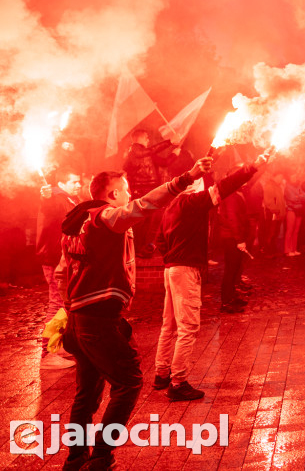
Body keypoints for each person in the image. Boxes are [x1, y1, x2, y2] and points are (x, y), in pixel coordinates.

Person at [56, 156, 211, 471]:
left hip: (78, 319)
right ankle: (100, 458)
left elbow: (62, 274)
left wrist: (72, 310)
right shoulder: (104, 216)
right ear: (112, 194)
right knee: (129, 382)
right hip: (96, 320)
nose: (128, 195)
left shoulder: (76, 223)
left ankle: (75, 460)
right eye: (124, 190)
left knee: (86, 394)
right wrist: (186, 178)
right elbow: (143, 206)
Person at [153, 155, 265, 401]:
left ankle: (161, 373)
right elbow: (224, 188)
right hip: (185, 270)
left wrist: (173, 256)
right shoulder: (191, 202)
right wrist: (251, 167)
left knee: (169, 324)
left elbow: (159, 241)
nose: (206, 185)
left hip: (171, 269)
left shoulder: (169, 207)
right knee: (188, 327)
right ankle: (178, 382)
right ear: (193, 185)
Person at [37, 172, 82, 370]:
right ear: (62, 183)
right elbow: (48, 207)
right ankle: (48, 352)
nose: (78, 184)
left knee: (64, 303)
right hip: (55, 258)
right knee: (56, 303)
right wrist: (45, 197)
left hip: (63, 258)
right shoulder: (56, 198)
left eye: (79, 181)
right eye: (73, 181)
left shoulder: (69, 199)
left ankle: (58, 345)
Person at [122, 129, 178, 258]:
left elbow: (163, 163)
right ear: (139, 139)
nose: (148, 140)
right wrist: (169, 142)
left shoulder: (146, 153)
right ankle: (136, 248)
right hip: (139, 191)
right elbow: (149, 151)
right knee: (140, 221)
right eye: (146, 137)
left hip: (148, 190)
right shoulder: (135, 150)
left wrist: (174, 154)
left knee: (148, 221)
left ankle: (141, 248)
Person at [213, 167, 254, 312]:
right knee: (231, 270)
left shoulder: (234, 193)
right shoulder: (230, 196)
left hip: (233, 237)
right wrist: (239, 240)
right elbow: (233, 219)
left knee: (235, 268)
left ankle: (232, 297)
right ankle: (226, 302)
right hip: (231, 238)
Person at [260, 172, 286, 256]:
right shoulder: (270, 186)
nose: (281, 179)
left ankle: (272, 250)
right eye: (280, 177)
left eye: (282, 177)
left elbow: (280, 200)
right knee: (271, 232)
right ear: (274, 176)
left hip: (277, 213)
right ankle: (268, 251)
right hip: (272, 214)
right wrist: (276, 210)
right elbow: (269, 201)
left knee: (275, 233)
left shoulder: (277, 186)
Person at [283, 172, 305, 256]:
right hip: (291, 210)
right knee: (290, 230)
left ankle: (294, 249)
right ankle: (287, 250)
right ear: (290, 178)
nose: (295, 178)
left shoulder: (298, 186)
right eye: (293, 177)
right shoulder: (287, 187)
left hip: (299, 209)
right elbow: (291, 197)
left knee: (296, 231)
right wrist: (299, 196)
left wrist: (297, 196)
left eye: (295, 177)